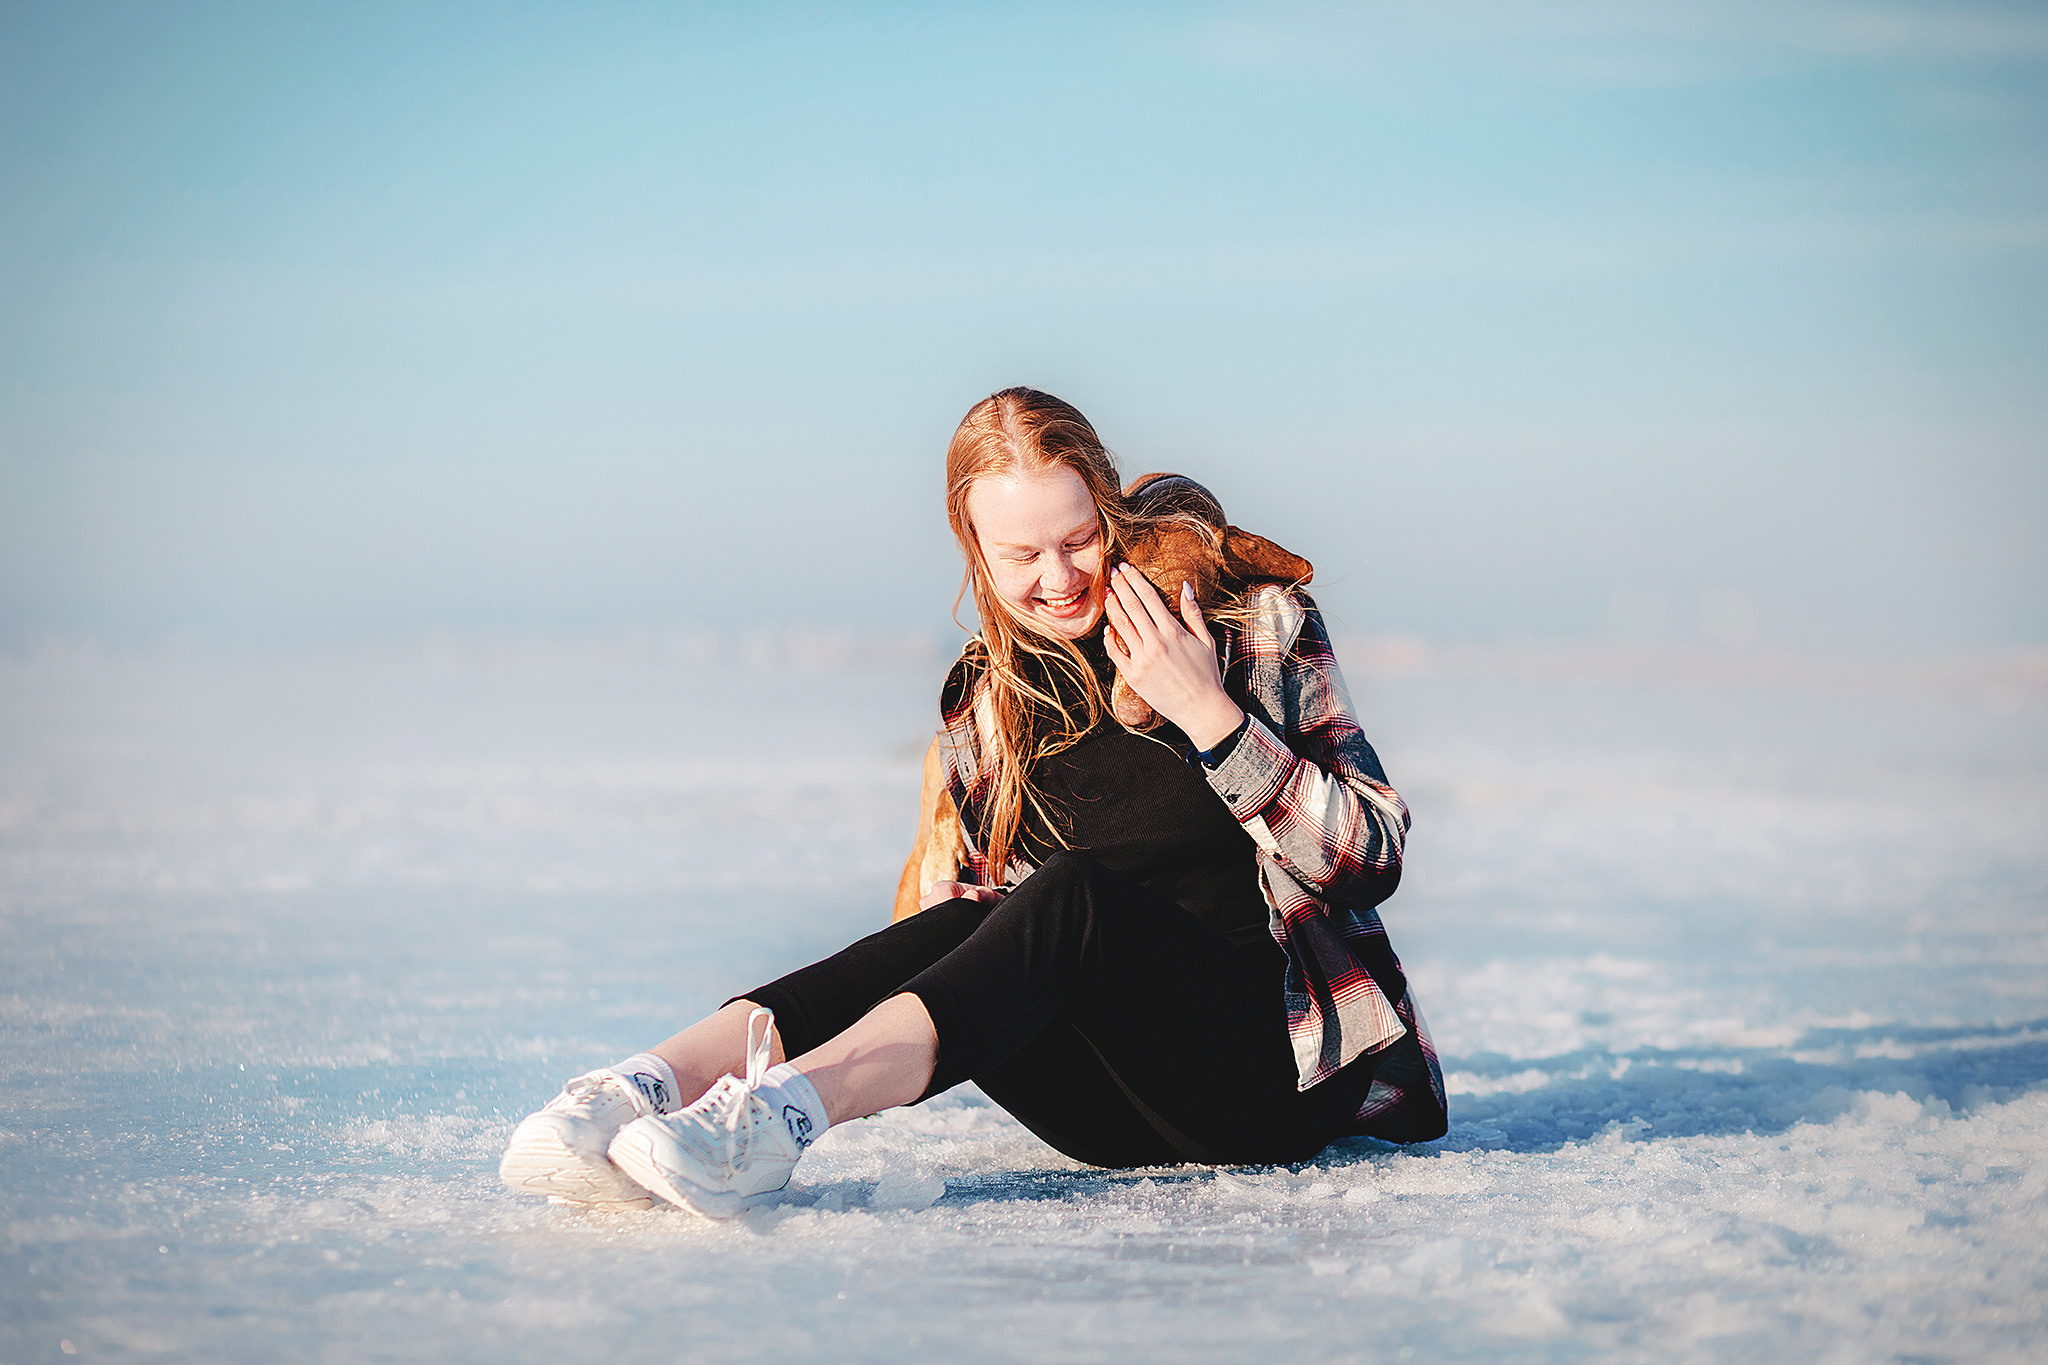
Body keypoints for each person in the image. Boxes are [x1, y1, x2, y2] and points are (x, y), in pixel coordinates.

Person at [498, 387, 1447, 1218]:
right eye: (1022, 553)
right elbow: (981, 951)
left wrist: (1210, 714)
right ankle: (632, 1091)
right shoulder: (984, 698)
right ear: (975, 550)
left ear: (1110, 513)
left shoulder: (1249, 626)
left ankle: (772, 1124)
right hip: (1114, 1106)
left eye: (1078, 540)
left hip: (1276, 1072)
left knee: (1078, 895)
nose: (1059, 577)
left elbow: (1373, 853)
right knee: (955, 926)